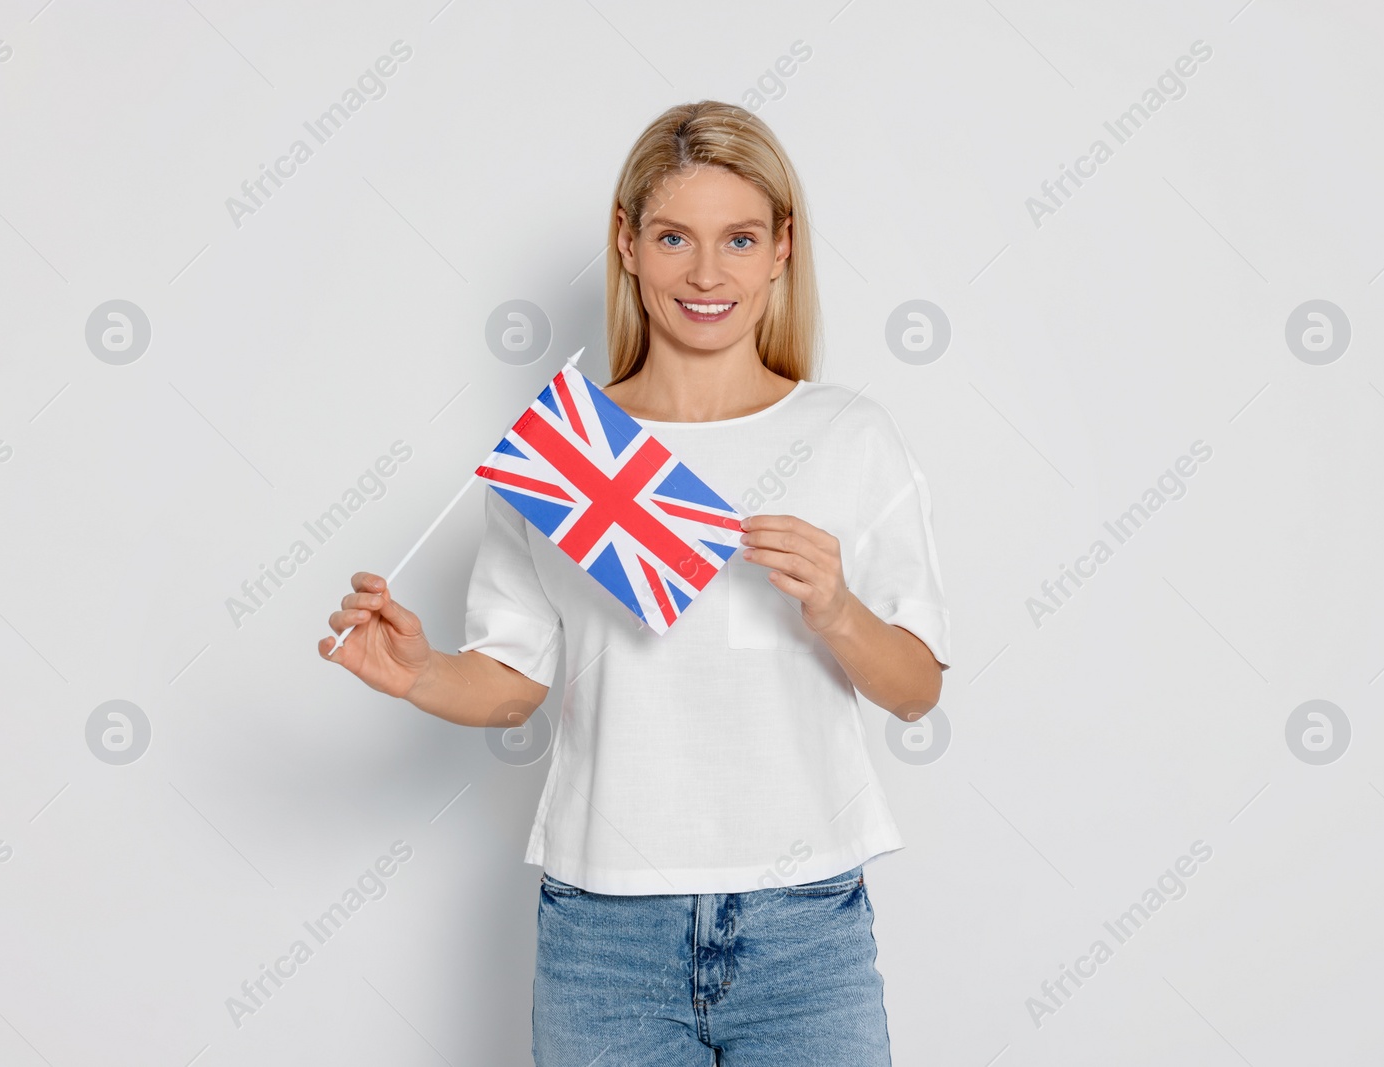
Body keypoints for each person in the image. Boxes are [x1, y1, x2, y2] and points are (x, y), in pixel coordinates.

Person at [320, 100, 950, 1066]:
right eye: (673, 237)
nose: (707, 274)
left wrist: (836, 607)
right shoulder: (564, 454)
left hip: (806, 929)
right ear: (627, 244)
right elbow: (512, 680)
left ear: (783, 249)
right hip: (604, 934)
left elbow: (917, 688)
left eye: (739, 238)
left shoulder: (849, 436)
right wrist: (417, 673)